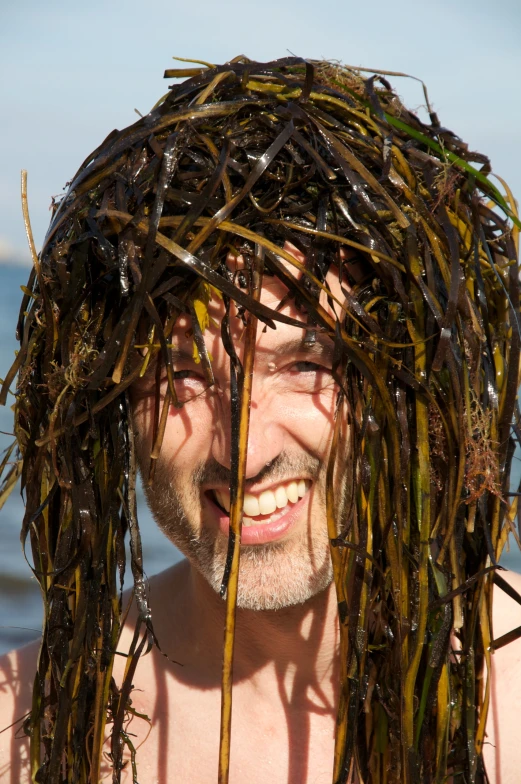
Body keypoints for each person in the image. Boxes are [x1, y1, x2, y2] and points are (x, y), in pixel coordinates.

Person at [0, 56, 520, 783]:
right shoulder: (23, 728)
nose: (244, 451)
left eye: (305, 364)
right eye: (181, 373)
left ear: (420, 380)